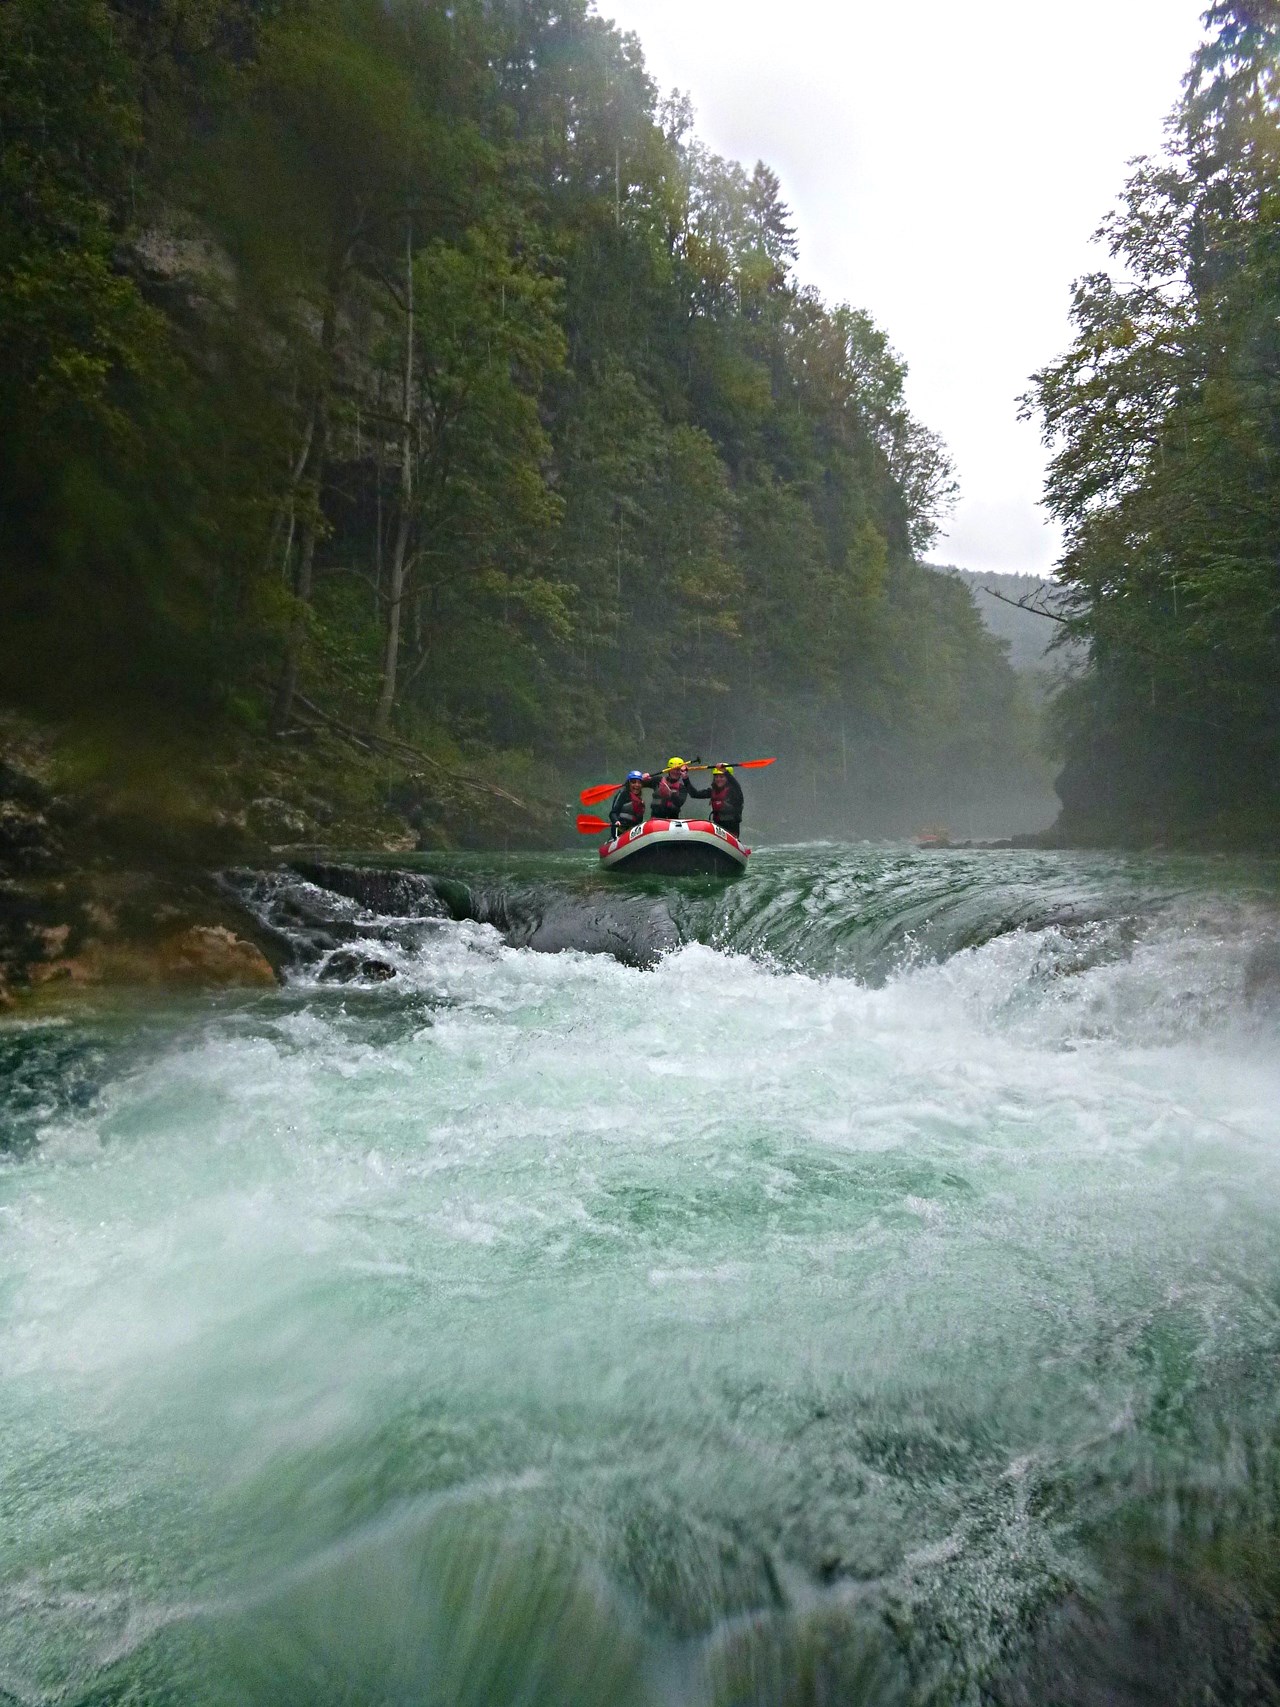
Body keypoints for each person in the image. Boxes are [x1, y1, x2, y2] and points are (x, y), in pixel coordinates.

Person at [608, 770, 650, 839]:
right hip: (620, 830)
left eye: (639, 783)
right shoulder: (623, 794)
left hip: (632, 832)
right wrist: (616, 821)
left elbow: (639, 820)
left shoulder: (640, 801)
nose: (637, 785)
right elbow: (613, 813)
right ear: (628, 783)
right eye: (633, 782)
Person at [708, 765, 744, 837]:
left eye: (722, 777)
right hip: (718, 827)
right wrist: (685, 778)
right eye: (716, 777)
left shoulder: (734, 792)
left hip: (731, 828)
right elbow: (694, 794)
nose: (718, 779)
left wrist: (725, 771)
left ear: (728, 778)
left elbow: (736, 786)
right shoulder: (712, 791)